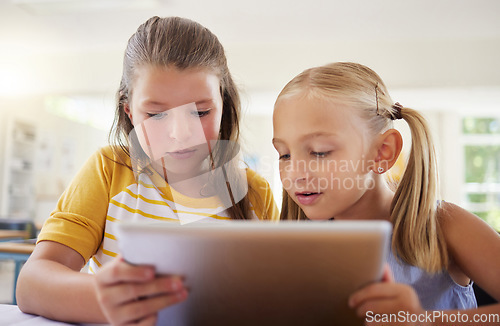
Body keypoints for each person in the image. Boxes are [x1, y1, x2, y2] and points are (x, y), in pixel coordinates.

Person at [17, 16, 279, 325]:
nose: (180, 133)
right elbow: (32, 283)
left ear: (222, 103)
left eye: (200, 112)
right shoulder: (110, 171)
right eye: (156, 115)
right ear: (129, 110)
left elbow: (281, 292)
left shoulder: (253, 191)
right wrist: (105, 299)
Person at [272, 62, 500, 325]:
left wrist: (422, 321)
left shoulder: (443, 225)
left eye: (320, 151)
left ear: (383, 152)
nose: (295, 173)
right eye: (284, 155)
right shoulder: (298, 247)